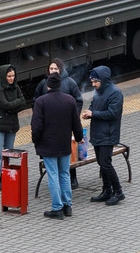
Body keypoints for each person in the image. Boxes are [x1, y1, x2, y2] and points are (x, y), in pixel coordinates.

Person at [32, 73, 84, 219]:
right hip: (64, 144)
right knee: (65, 174)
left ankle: (57, 208)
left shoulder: (41, 102)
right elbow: (76, 123)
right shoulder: (69, 100)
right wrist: (79, 138)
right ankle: (68, 206)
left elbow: (36, 125)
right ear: (60, 85)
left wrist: (35, 140)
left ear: (48, 85)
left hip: (48, 146)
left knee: (53, 175)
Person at [34, 59, 84, 189]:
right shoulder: (43, 84)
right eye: (51, 69)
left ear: (60, 69)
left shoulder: (69, 83)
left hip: (65, 126)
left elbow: (78, 100)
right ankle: (62, 187)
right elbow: (36, 101)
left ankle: (73, 178)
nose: (53, 71)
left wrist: (73, 116)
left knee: (68, 153)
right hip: (49, 127)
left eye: (55, 69)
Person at [81, 65, 125, 205]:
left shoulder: (115, 93)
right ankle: (107, 190)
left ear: (103, 80)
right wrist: (89, 112)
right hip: (98, 133)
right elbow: (94, 105)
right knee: (101, 162)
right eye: (92, 82)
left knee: (105, 163)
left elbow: (113, 113)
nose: (93, 84)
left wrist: (93, 114)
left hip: (108, 134)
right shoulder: (98, 91)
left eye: (95, 81)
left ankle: (118, 192)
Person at [0, 64, 27, 190]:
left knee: (9, 151)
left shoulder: (16, 87)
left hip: (11, 124)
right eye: (9, 76)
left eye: (13, 76)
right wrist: (14, 106)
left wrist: (12, 106)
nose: (11, 79)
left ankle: (4, 174)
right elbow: (5, 105)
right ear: (3, 77)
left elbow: (23, 103)